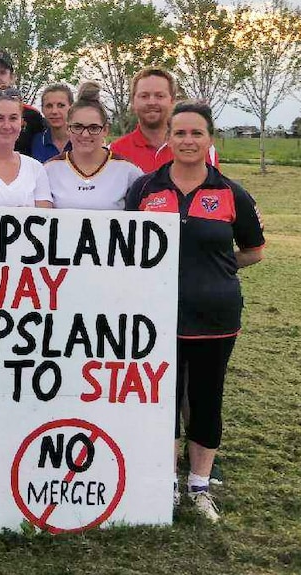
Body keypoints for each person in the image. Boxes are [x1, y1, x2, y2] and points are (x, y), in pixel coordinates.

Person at [125, 101, 265, 521]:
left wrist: (219, 268)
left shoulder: (231, 192)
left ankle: (199, 485)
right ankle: (164, 480)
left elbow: (254, 251)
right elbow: (127, 247)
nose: (187, 141)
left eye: (196, 133)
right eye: (180, 133)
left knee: (206, 400)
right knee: (161, 402)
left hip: (214, 317)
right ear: (168, 138)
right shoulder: (145, 190)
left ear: (209, 139)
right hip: (156, 317)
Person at [44, 82, 142, 210]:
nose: (85, 134)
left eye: (93, 128)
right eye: (77, 127)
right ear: (68, 128)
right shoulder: (48, 170)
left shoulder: (128, 171)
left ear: (105, 130)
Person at [111, 67, 219, 173]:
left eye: (159, 96)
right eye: (144, 96)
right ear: (133, 102)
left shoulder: (203, 149)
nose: (151, 102)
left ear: (172, 101)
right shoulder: (113, 152)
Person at [31, 84, 73, 163]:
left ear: (71, 108)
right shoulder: (36, 141)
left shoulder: (81, 140)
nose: (54, 111)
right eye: (49, 106)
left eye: (61, 105)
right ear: (42, 110)